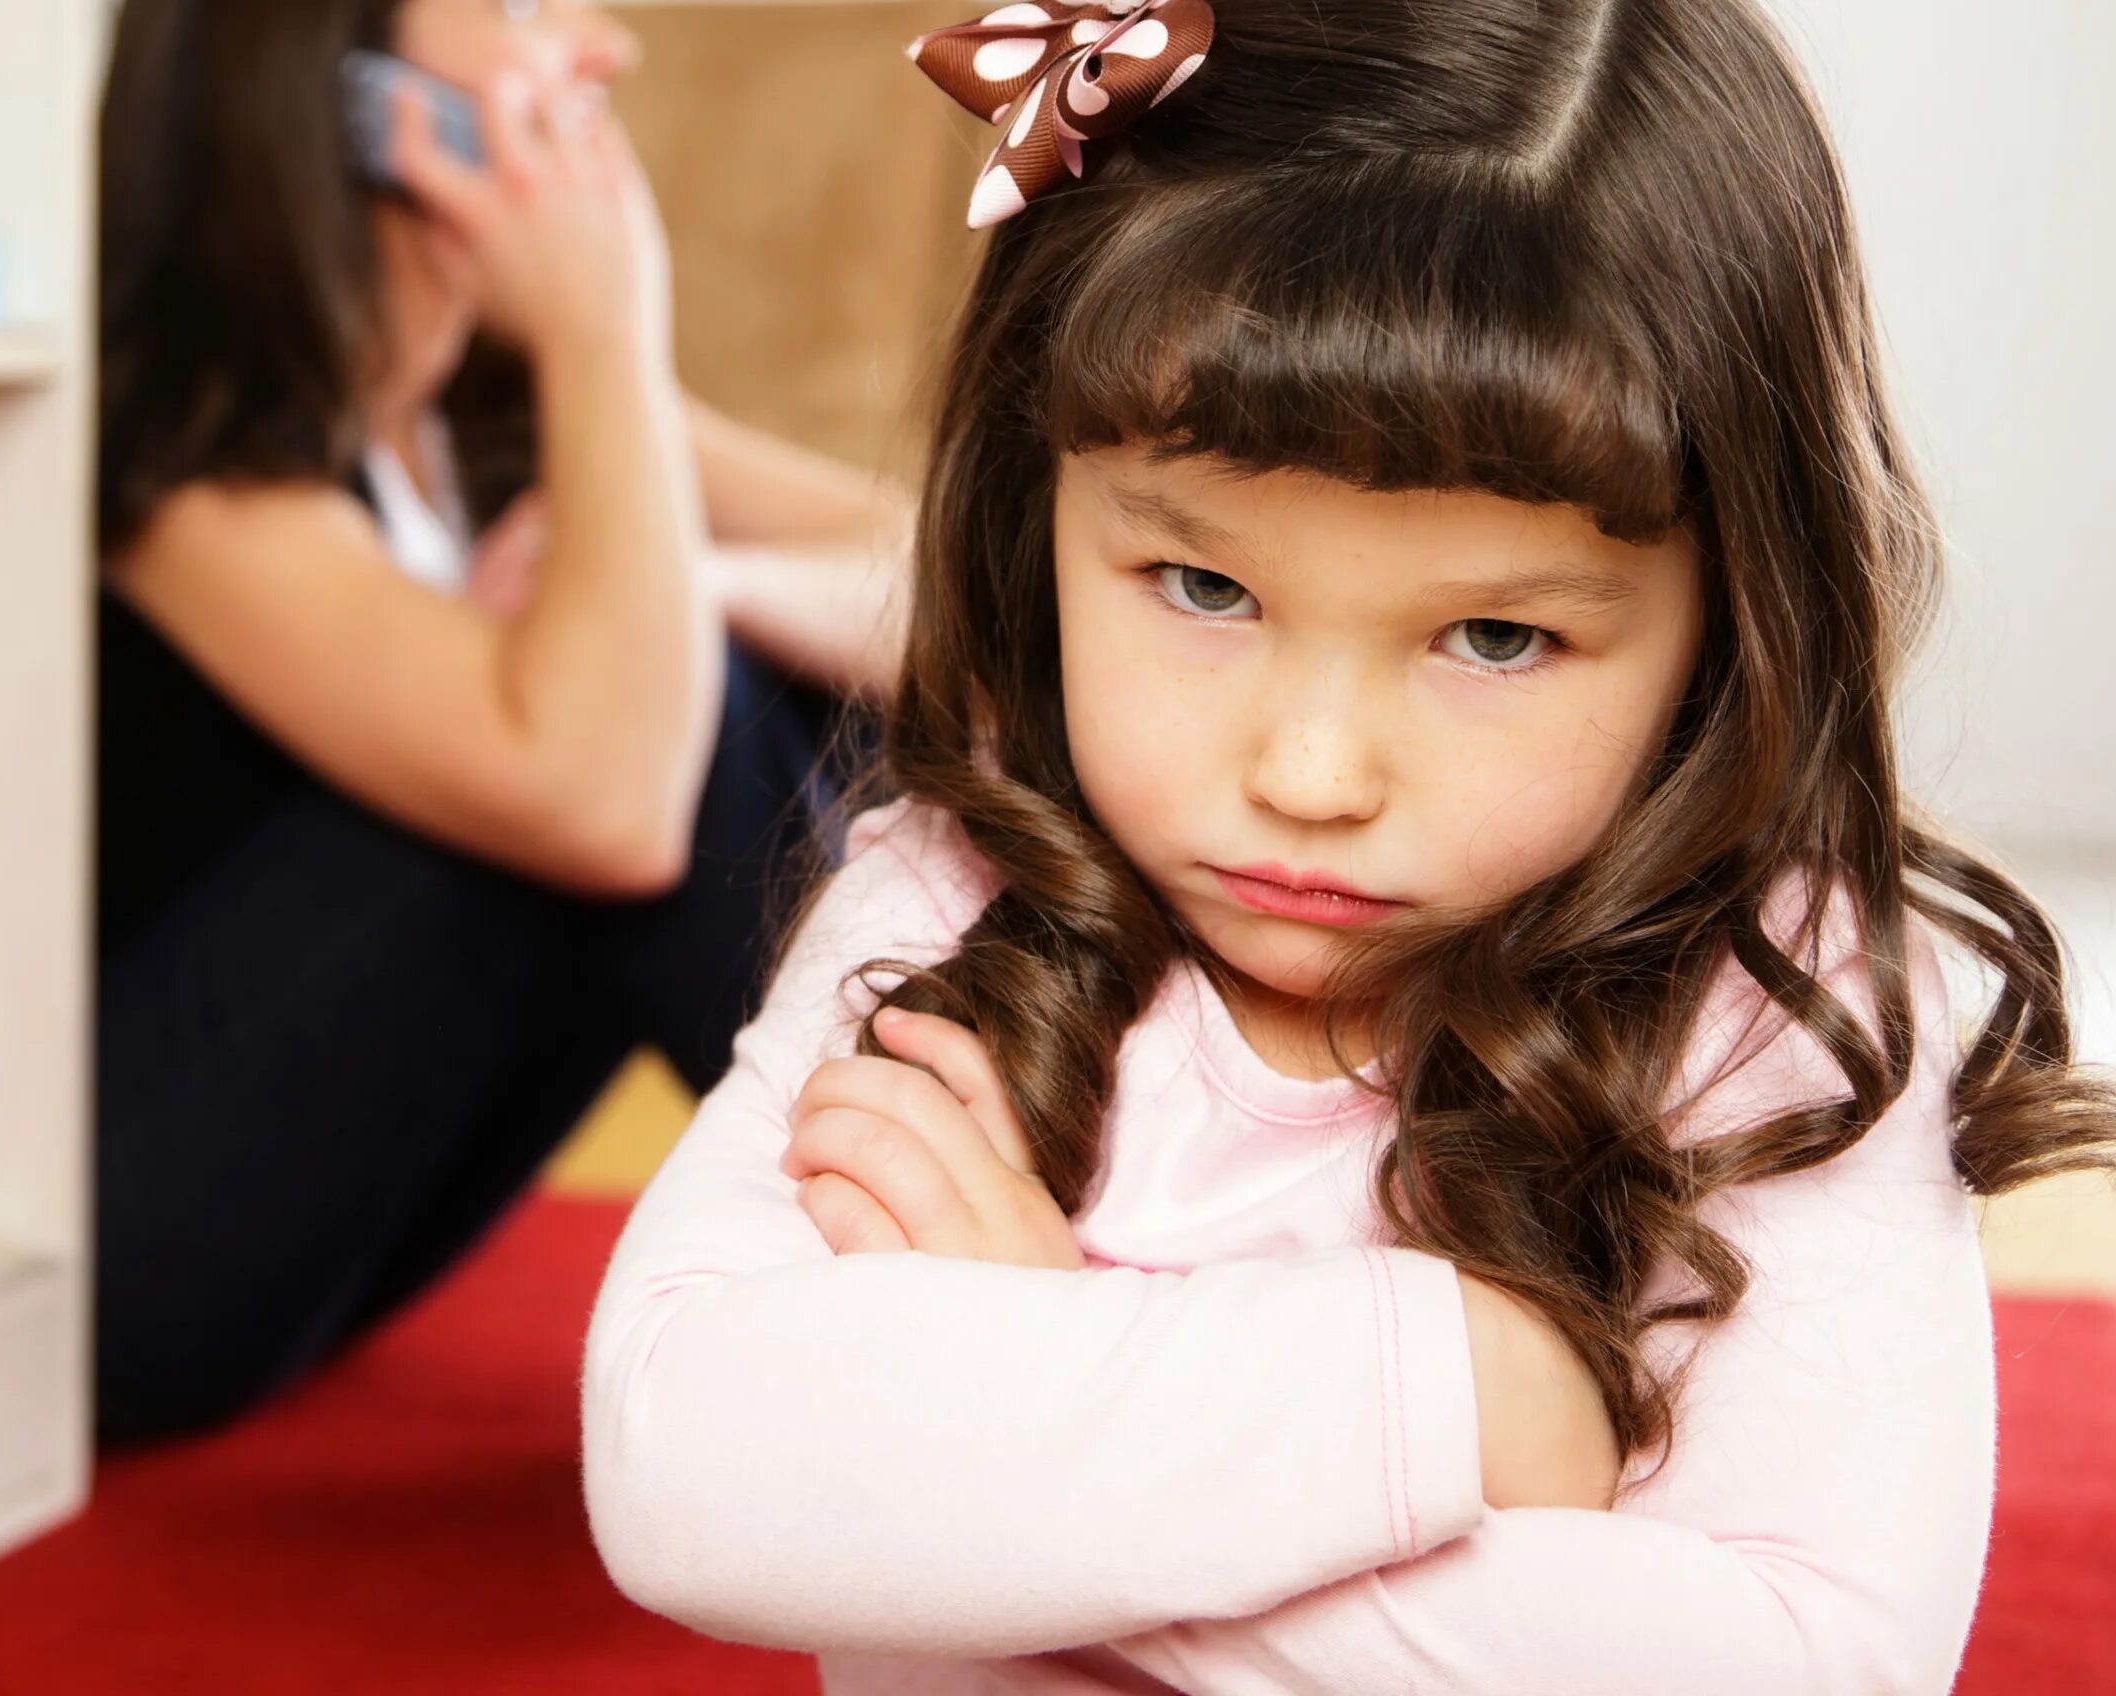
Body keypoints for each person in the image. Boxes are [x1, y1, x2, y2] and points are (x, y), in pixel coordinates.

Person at [582, 1, 2116, 1691]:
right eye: (1205, 589)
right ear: (1042, 510)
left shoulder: (1774, 1013)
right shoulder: (959, 900)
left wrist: (1027, 1394)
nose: (1311, 774)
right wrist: (1457, 1401)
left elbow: (1801, 1661)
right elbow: (678, 1467)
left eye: (1497, 640)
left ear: (1731, 617)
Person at [92, 0, 911, 1443]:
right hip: (133, 1263)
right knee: (653, 708)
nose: (606, 51)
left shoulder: (485, 414)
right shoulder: (180, 470)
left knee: (723, 654)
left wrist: (719, 575)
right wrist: (605, 321)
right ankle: (968, 1262)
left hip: (353, 1248)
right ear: (343, 91)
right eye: (536, 7)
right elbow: (605, 793)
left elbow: (969, 610)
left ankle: (990, 1204)